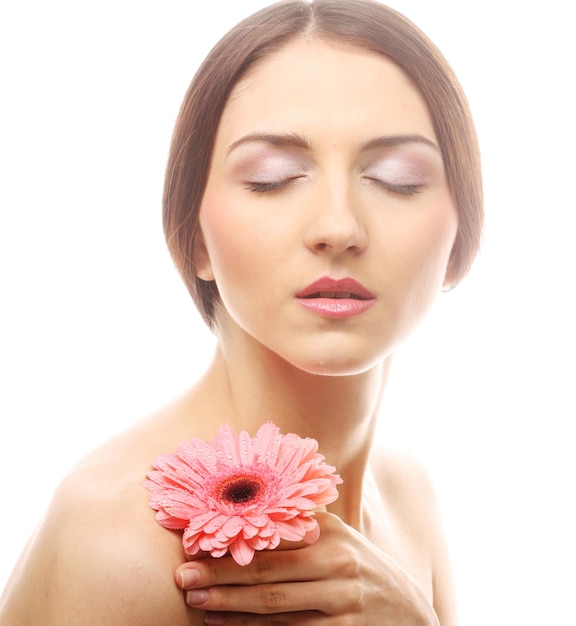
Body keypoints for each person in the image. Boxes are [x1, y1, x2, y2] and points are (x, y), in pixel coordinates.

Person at [0, 0, 482, 624]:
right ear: (195, 236)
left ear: (460, 239)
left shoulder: (409, 495)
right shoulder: (121, 542)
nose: (338, 228)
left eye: (396, 178)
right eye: (272, 177)